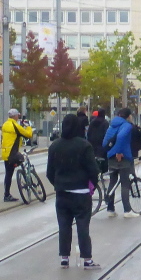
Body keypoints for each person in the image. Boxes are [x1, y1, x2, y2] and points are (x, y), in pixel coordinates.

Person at [47, 114, 101, 269]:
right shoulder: (84, 145)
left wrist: (59, 184)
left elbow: (50, 172)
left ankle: (64, 258)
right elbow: (93, 170)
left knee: (64, 226)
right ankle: (87, 260)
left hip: (62, 193)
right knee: (83, 226)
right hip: (81, 193)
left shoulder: (55, 146)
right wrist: (92, 185)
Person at [102, 108, 139, 218]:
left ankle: (110, 209)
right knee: (125, 183)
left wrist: (111, 152)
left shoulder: (112, 125)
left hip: (110, 156)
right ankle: (127, 210)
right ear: (128, 116)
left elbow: (105, 141)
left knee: (112, 182)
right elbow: (121, 136)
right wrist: (118, 152)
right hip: (122, 157)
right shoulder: (127, 125)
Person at [2, 109, 33, 202]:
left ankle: (6, 194)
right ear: (15, 116)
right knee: (22, 158)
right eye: (18, 115)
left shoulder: (5, 124)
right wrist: (28, 126)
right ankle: (25, 178)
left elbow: (14, 134)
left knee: (8, 174)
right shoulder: (15, 125)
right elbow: (28, 134)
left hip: (5, 153)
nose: (18, 117)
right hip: (13, 153)